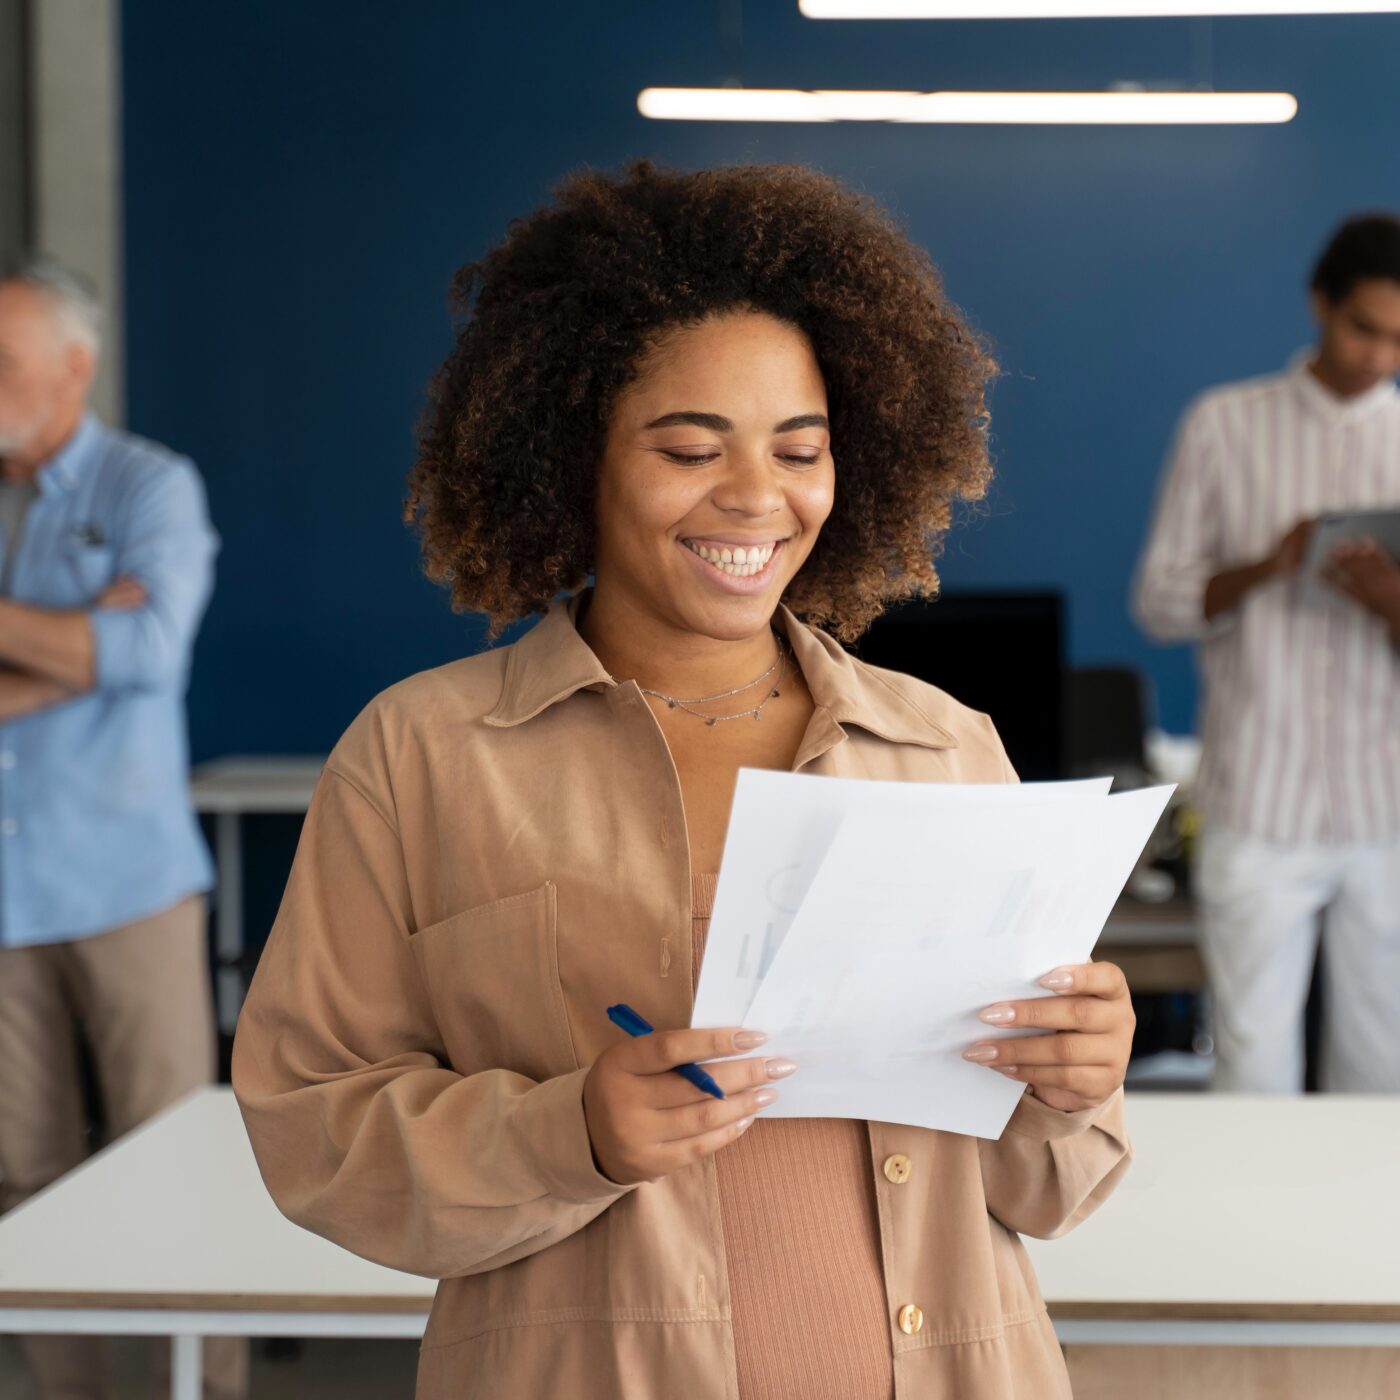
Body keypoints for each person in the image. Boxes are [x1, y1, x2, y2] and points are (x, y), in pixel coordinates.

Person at [232, 160, 1134, 1400]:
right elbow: (311, 1129)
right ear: (570, 457)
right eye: (687, 446)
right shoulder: (422, 757)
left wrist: (1075, 1079)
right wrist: (575, 1133)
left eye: (798, 448)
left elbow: (1047, 1184)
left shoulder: (943, 747)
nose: (755, 497)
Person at [0, 256, 247, 1400]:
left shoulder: (151, 485)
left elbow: (149, 655)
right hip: (5, 904)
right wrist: (75, 643)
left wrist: (92, 646)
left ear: (74, 366)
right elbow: (110, 656)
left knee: (174, 1163)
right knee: (21, 1175)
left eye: (3, 363)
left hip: (128, 886)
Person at [1133, 213, 1400, 1095]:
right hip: (1258, 799)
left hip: (1387, 808)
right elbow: (1158, 603)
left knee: (1386, 1070)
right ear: (1322, 304)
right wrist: (1268, 565)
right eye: (1364, 328)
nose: (1377, 357)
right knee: (1251, 1067)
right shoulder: (1224, 425)